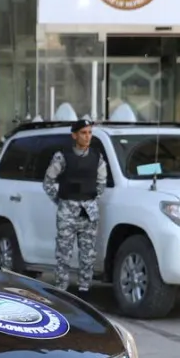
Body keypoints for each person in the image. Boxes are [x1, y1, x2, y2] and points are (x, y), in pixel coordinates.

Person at [43, 118, 108, 294]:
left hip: (88, 213)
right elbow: (48, 182)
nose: (87, 137)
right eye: (83, 133)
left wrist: (91, 198)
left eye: (89, 133)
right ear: (74, 135)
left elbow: (102, 182)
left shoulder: (96, 157)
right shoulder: (63, 156)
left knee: (87, 256)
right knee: (63, 255)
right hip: (67, 212)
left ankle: (84, 291)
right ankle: (61, 291)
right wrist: (62, 201)